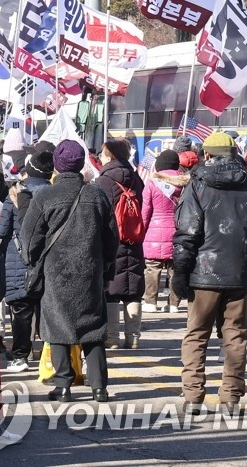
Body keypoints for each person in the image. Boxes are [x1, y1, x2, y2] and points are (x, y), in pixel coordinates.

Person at [173, 131, 247, 413]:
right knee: (235, 336)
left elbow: (187, 233)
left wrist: (180, 272)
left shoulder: (197, 184)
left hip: (203, 273)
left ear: (207, 154)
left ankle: (193, 396)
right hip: (239, 272)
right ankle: (231, 397)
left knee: (196, 334)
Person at [21, 141, 118, 402]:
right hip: (90, 269)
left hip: (56, 270)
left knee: (57, 325)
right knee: (93, 327)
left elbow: (29, 238)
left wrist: (32, 261)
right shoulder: (97, 195)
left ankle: (63, 385)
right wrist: (106, 266)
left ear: (57, 165)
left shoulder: (45, 196)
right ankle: (99, 387)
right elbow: (112, 237)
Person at [0, 143, 53, 372]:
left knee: (21, 310)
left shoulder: (15, 194)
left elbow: (1, 231)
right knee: (46, 309)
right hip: (47, 260)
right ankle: (49, 354)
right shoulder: (54, 194)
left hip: (18, 260)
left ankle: (20, 357)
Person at [93, 139, 147, 350]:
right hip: (134, 237)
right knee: (134, 288)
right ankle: (133, 337)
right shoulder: (136, 178)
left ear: (110, 156)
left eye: (103, 154)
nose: (101, 158)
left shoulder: (103, 181)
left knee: (112, 289)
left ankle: (112, 338)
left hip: (112, 239)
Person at [141, 149, 188, 314]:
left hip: (154, 231)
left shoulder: (152, 183)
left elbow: (145, 212)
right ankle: (174, 304)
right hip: (178, 230)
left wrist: (142, 231)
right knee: (175, 269)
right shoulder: (185, 184)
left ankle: (150, 302)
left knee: (152, 268)